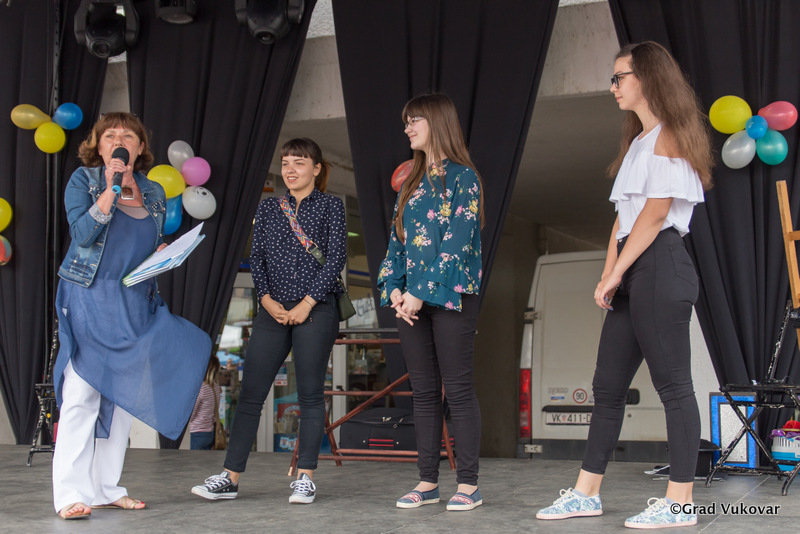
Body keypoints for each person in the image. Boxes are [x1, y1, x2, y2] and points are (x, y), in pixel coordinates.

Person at [536, 41, 713, 529]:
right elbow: (623, 220)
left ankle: (680, 502)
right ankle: (585, 493)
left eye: (620, 77)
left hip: (661, 264)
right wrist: (608, 272)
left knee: (673, 385)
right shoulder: (638, 142)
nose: (612, 86)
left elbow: (655, 215)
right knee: (607, 386)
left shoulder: (670, 135)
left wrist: (618, 272)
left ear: (648, 78)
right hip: (635, 264)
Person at [51, 112, 212, 520]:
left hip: (135, 301)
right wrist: (110, 188)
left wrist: (160, 254)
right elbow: (82, 234)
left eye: (128, 135)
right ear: (99, 145)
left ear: (140, 147)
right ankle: (70, 493)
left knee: (123, 398)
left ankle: (106, 488)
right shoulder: (84, 181)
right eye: (110, 135)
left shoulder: (152, 190)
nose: (119, 140)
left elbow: (142, 243)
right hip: (90, 297)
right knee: (82, 395)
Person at [191, 138, 346, 504]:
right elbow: (257, 257)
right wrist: (264, 298)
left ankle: (305, 478)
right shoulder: (269, 207)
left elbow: (337, 257)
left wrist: (307, 303)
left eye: (299, 163)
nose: (290, 170)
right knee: (250, 394)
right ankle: (230, 478)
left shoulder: (331, 206)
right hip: (272, 309)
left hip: (316, 308)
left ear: (316, 169)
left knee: (310, 394)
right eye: (286, 163)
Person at [377, 93, 484, 511]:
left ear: (438, 121)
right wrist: (394, 289)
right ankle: (427, 481)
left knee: (458, 389)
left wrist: (419, 292)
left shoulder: (464, 177)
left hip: (452, 296)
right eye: (405, 121)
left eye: (414, 120)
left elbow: (458, 241)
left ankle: (469, 485)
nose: (407, 128)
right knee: (422, 392)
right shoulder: (410, 182)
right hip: (410, 302)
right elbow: (396, 243)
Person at [189, 355, 222, 450]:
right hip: (210, 432)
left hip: (197, 432)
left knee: (194, 459)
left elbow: (192, 414)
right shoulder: (216, 388)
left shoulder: (201, 388)